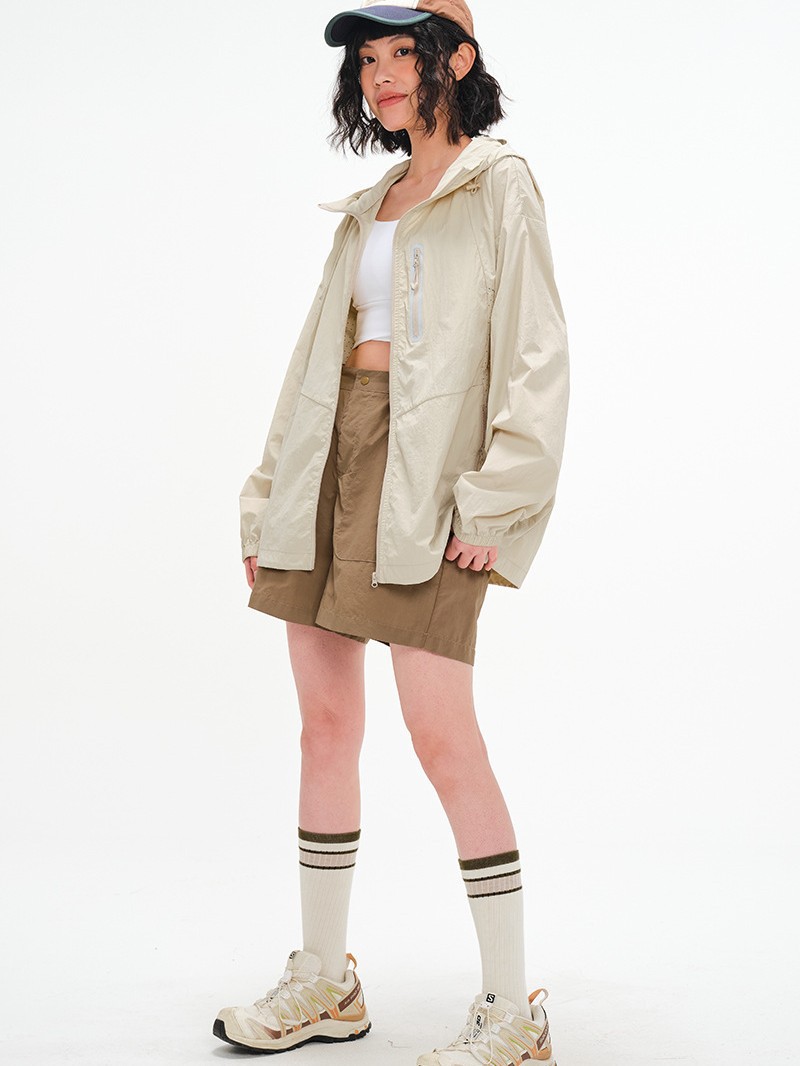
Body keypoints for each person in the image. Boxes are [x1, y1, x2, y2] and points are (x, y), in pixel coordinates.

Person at [214, 1, 569, 1062]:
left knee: (440, 734)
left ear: (456, 59)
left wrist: (497, 499)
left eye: (401, 52)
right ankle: (326, 979)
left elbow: (537, 354)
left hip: (432, 480)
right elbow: (311, 361)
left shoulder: (498, 183)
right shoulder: (370, 204)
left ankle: (512, 1008)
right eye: (367, 58)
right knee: (324, 726)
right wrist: (268, 496)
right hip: (330, 465)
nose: (380, 74)